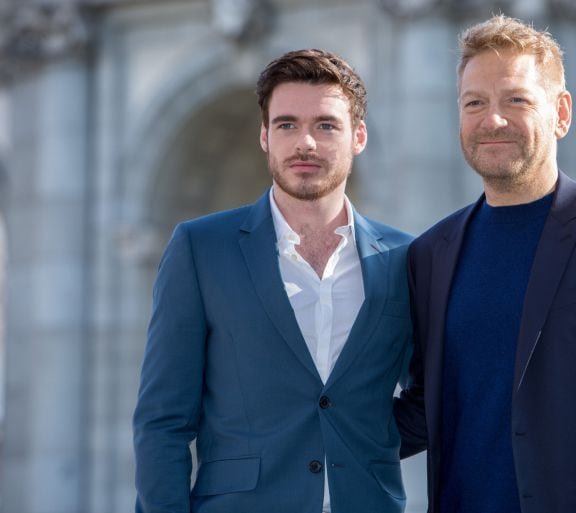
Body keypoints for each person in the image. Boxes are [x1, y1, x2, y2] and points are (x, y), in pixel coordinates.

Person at [395, 14, 576, 513]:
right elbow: (427, 408)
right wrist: (305, 426)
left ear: (561, 113)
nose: (492, 120)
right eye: (475, 103)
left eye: (516, 99)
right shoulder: (430, 252)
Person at [133, 49, 413, 513]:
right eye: (286, 125)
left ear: (358, 136)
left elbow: (434, 391)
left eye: (326, 125)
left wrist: (364, 440)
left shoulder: (403, 256)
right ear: (265, 136)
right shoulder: (201, 248)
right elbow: (163, 420)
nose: (305, 142)